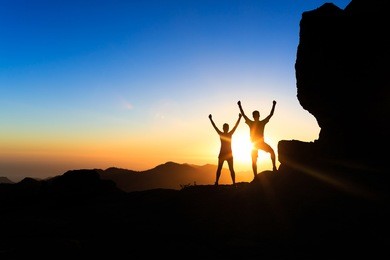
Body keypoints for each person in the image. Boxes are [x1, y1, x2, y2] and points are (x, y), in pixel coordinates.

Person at [237, 100, 277, 178]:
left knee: (256, 159)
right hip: (255, 144)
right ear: (258, 116)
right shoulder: (259, 122)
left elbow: (243, 114)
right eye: (256, 115)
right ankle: (271, 169)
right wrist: (274, 105)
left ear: (255, 116)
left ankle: (258, 175)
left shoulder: (253, 122)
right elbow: (270, 114)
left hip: (255, 144)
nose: (256, 116)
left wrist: (239, 105)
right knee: (268, 153)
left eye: (256, 115)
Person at [209, 113, 242, 186]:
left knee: (221, 169)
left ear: (224, 128)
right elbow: (235, 127)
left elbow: (215, 127)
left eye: (226, 127)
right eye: (226, 127)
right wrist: (239, 118)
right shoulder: (229, 134)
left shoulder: (222, 134)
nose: (226, 128)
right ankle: (232, 183)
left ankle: (218, 182)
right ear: (226, 128)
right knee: (228, 169)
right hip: (228, 154)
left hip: (224, 154)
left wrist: (211, 119)